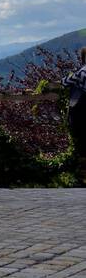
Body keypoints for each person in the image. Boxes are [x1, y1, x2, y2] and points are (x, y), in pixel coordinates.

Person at [61, 46, 86, 183]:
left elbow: (64, 82)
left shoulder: (81, 72)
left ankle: (82, 177)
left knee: (82, 142)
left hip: (83, 112)